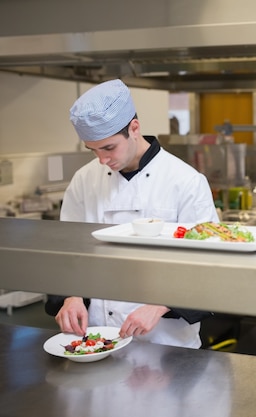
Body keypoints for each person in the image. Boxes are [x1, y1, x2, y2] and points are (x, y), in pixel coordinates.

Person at [45, 79, 219, 349]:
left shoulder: (185, 181)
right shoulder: (84, 180)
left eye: (109, 148)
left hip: (166, 343)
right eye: (93, 150)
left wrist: (161, 305)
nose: (102, 160)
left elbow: (209, 262)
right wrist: (71, 296)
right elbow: (68, 252)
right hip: (98, 337)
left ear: (134, 128)